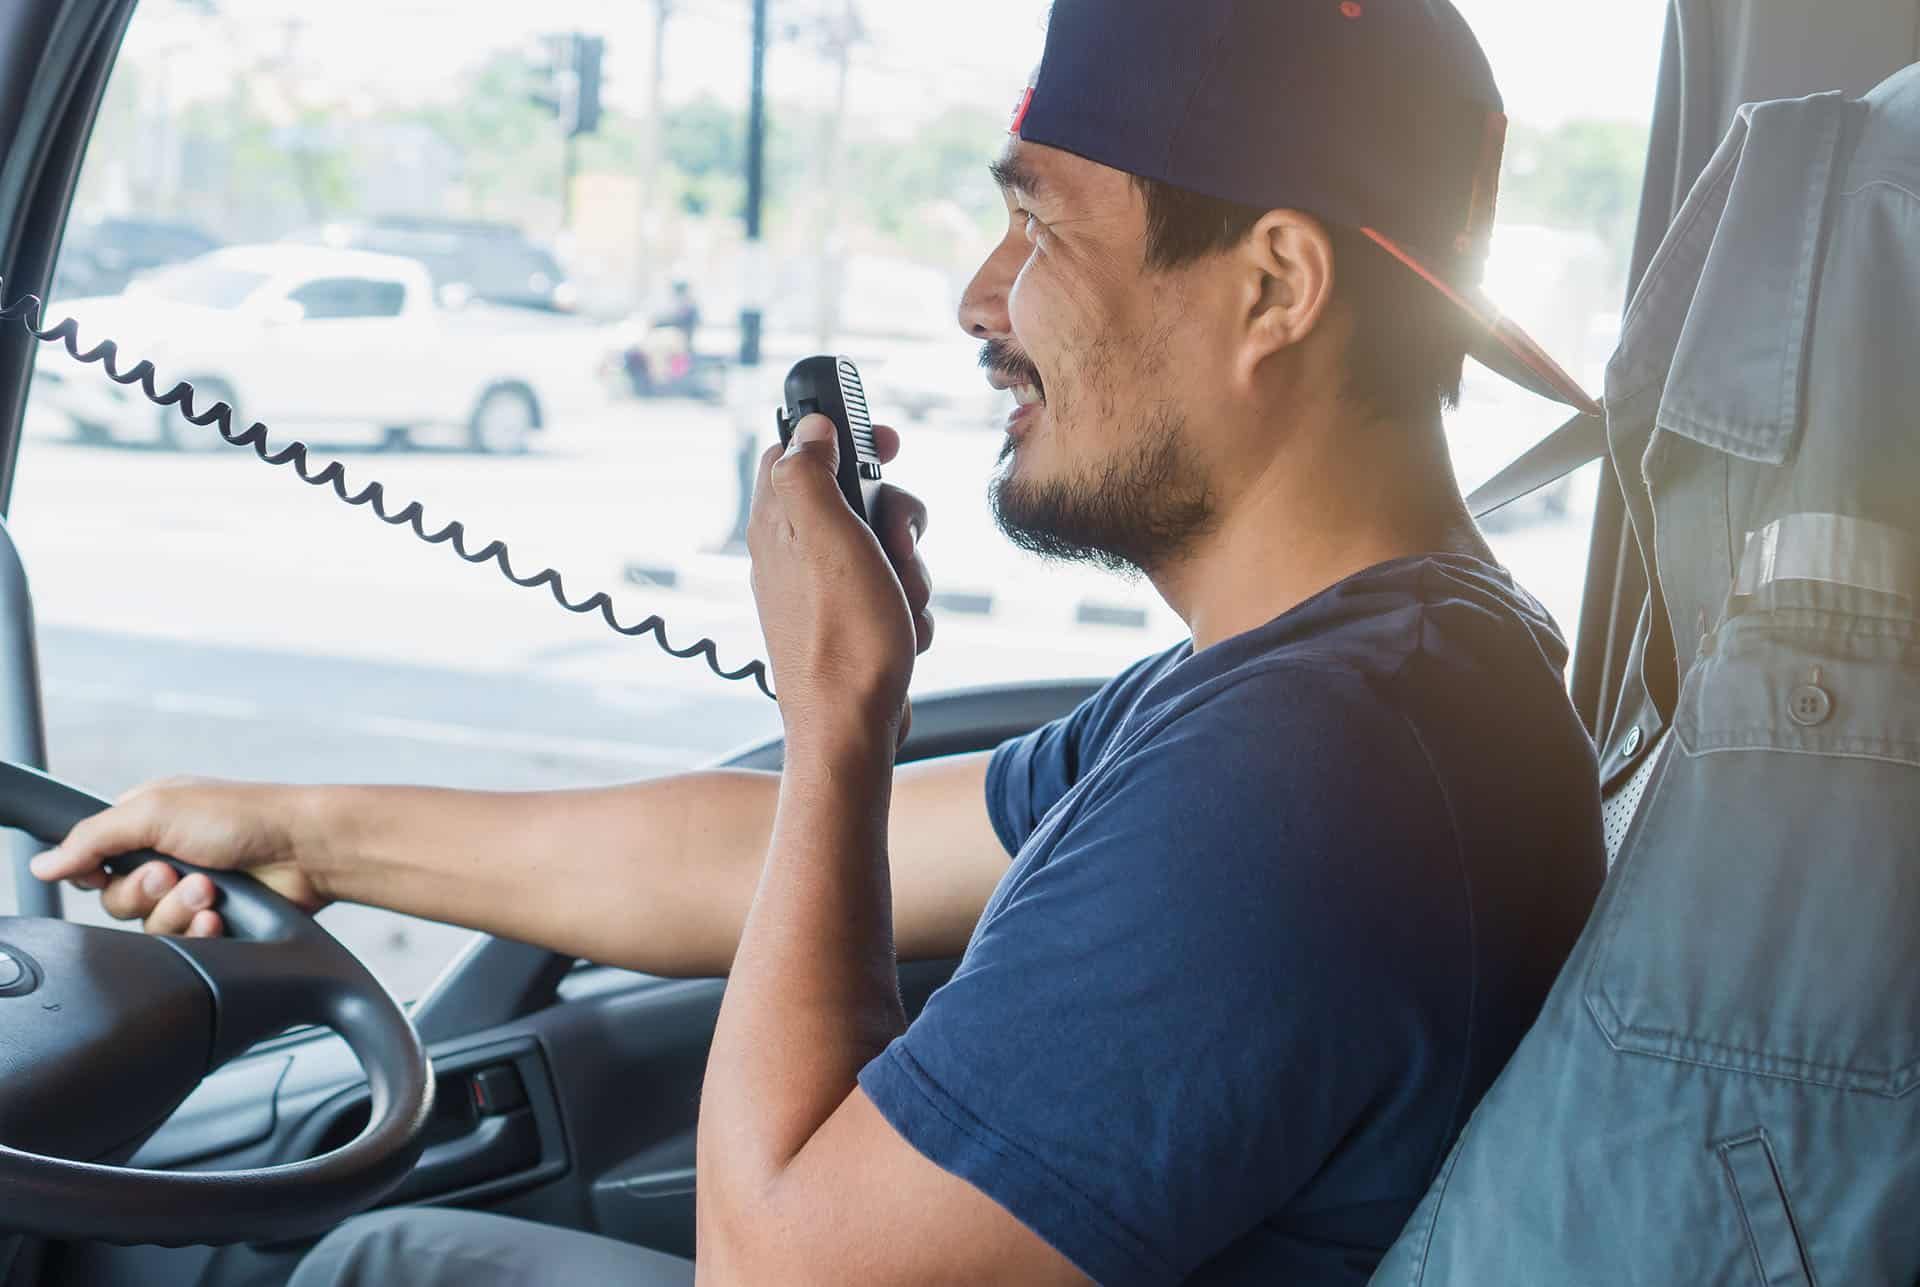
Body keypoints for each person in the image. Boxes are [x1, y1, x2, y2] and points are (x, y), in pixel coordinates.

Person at [34, 2, 1608, 1282]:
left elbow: (777, 1273)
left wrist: (844, 703)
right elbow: (749, 864)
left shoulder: (1306, 779)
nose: (979, 300)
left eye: (1037, 222)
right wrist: (299, 834)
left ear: (1274, 285)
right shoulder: (1374, 676)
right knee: (398, 1254)